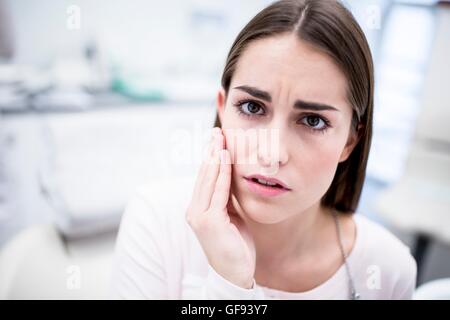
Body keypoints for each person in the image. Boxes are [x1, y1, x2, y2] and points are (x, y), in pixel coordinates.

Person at [110, 0, 417, 299]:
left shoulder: (388, 268)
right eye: (252, 107)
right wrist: (229, 281)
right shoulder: (156, 223)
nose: (271, 154)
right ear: (222, 108)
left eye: (312, 121)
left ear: (350, 141)